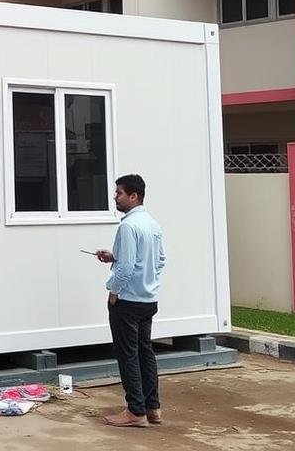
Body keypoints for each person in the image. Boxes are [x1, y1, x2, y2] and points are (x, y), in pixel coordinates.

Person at [95, 174, 167, 428]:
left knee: (128, 356)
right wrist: (114, 256)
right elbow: (158, 261)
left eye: (119, 193)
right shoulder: (152, 225)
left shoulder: (128, 226)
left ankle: (135, 411)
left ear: (133, 196)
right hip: (148, 299)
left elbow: (125, 269)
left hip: (127, 301)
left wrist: (113, 290)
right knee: (145, 353)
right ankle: (152, 407)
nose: (115, 197)